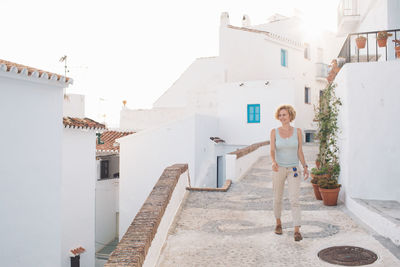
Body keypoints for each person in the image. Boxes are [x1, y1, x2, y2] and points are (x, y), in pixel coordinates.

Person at [270, 104, 309, 241]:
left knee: (294, 199)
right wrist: (274, 162)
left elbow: (300, 151)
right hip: (278, 168)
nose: (282, 117)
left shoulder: (298, 131)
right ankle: (278, 223)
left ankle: (297, 230)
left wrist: (305, 166)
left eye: (284, 115)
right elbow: (272, 150)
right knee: (277, 198)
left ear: (290, 115)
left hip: (293, 168)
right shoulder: (274, 132)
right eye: (280, 115)